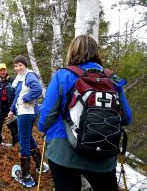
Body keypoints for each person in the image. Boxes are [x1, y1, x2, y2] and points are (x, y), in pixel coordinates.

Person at [38, 35, 132, 191]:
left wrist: (42, 127)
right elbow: (127, 118)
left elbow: (47, 117)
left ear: (72, 52)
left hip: (64, 152)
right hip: (104, 151)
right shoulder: (111, 78)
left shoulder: (63, 75)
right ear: (96, 52)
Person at [8, 55, 46, 188]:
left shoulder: (29, 75)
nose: (18, 67)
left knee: (23, 140)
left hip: (26, 113)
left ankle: (26, 176)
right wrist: (12, 109)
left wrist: (26, 99)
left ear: (25, 65)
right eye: (16, 65)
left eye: (20, 65)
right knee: (28, 137)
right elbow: (18, 95)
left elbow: (38, 89)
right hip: (24, 112)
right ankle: (39, 165)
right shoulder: (20, 78)